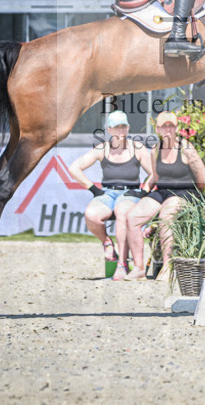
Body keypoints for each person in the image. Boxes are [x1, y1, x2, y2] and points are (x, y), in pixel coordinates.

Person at [123, 111, 205, 281]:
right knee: (132, 217)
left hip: (185, 191)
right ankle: (139, 268)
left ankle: (168, 267)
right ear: (158, 129)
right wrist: (142, 193)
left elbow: (203, 181)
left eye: (171, 125)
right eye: (164, 126)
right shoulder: (156, 149)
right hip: (163, 191)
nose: (168, 129)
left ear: (177, 128)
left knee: (166, 215)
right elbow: (155, 177)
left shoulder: (186, 149)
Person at [67, 110, 151, 281]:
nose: (121, 131)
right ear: (109, 130)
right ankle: (107, 243)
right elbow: (74, 168)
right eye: (117, 127)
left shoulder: (138, 148)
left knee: (122, 212)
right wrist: (93, 189)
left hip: (130, 192)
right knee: (91, 215)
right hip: (107, 192)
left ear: (128, 127)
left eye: (124, 126)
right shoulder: (103, 148)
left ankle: (122, 263)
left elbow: (154, 173)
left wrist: (143, 191)